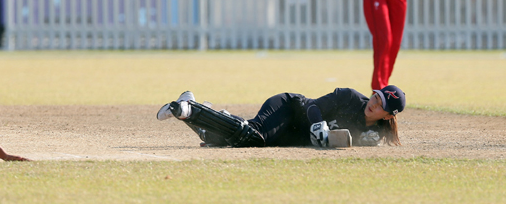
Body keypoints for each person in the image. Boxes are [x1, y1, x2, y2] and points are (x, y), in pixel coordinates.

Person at [156, 85, 406, 148]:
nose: (374, 103)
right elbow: (312, 106)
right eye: (376, 96)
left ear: (388, 115)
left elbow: (345, 141)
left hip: (292, 133)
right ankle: (194, 109)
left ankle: (190, 107)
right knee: (252, 137)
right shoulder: (350, 97)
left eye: (381, 104)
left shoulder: (377, 131)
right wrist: (319, 125)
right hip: (288, 109)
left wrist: (362, 141)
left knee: (220, 139)